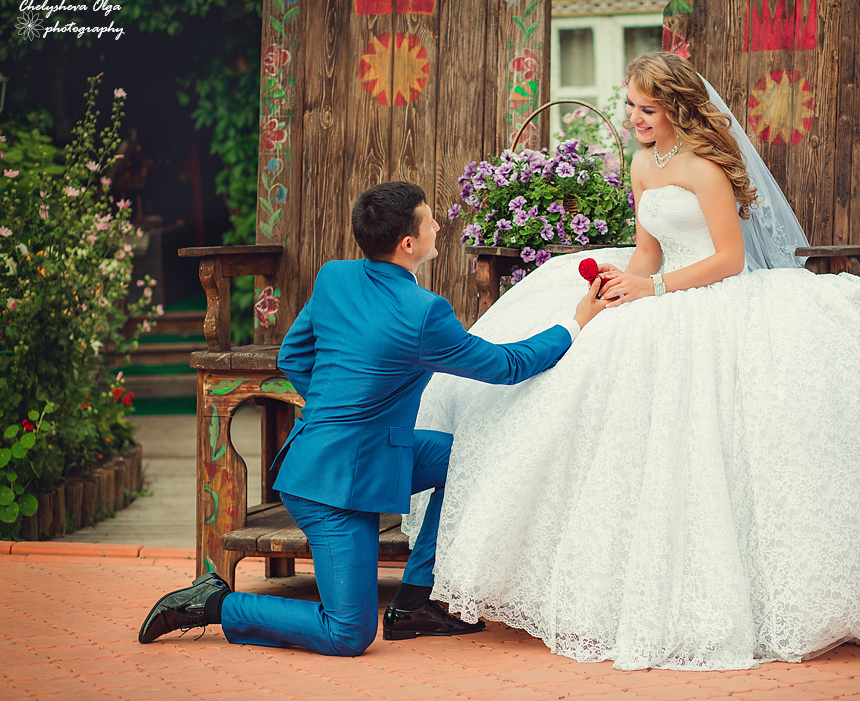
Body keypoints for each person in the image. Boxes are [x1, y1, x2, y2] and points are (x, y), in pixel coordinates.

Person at [406, 53, 860, 670]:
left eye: (646, 108)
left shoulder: (708, 167)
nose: (634, 119)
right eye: (629, 106)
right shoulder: (642, 163)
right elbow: (651, 252)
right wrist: (626, 282)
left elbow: (729, 259)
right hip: (660, 295)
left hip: (717, 298)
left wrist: (653, 290)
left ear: (678, 107)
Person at [138, 181, 606, 656]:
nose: (438, 226)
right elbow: (507, 366)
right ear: (409, 243)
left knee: (471, 457)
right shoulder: (423, 314)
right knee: (348, 633)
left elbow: (295, 358)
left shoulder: (334, 277)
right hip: (328, 492)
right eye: (430, 220)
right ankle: (216, 603)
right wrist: (576, 321)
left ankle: (417, 600)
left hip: (346, 453)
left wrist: (334, 411)